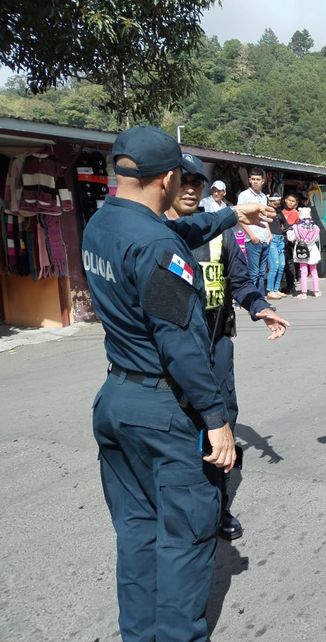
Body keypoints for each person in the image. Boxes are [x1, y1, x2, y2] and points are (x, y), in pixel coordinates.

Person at [81, 126, 273, 639]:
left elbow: (173, 236)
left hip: (116, 401)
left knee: (137, 536)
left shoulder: (101, 226)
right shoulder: (155, 246)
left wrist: (233, 214)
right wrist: (217, 420)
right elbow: (181, 344)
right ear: (165, 178)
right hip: (161, 408)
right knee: (186, 538)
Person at [165, 155, 289, 540]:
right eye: (183, 180)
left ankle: (218, 508)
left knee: (222, 425)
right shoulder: (157, 235)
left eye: (197, 183)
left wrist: (260, 307)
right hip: (173, 354)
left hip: (217, 347)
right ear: (165, 183)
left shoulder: (218, 235)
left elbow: (238, 282)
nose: (190, 188)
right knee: (182, 431)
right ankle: (181, 511)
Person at [238, 167, 270, 290]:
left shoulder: (263, 197)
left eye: (258, 179)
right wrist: (252, 236)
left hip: (265, 239)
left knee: (262, 274)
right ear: (249, 180)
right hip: (253, 240)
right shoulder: (244, 195)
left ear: (263, 181)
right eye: (253, 179)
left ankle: (261, 301)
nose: (256, 181)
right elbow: (240, 218)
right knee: (253, 274)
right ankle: (251, 301)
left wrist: (269, 234)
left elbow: (265, 217)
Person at [286, 207, 322, 299]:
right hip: (312, 250)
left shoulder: (296, 227)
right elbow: (317, 239)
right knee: (314, 271)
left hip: (301, 250)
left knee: (303, 271)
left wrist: (289, 232)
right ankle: (316, 291)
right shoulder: (315, 227)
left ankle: (304, 293)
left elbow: (291, 238)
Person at [265, 194, 286, 300]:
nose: (276, 203)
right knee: (274, 265)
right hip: (272, 239)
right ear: (269, 201)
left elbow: (285, 223)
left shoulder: (279, 211)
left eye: (278, 201)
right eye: (274, 201)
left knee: (282, 265)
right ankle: (270, 290)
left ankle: (276, 289)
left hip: (280, 239)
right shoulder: (266, 210)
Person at [280, 193, 301, 295]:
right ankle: (288, 284)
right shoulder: (281, 211)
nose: (290, 202)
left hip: (290, 241)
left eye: (293, 201)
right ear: (285, 200)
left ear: (295, 203)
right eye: (289, 200)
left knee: (290, 263)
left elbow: (287, 225)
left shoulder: (294, 212)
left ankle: (291, 285)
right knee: (283, 263)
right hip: (281, 239)